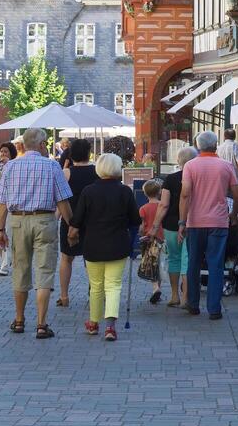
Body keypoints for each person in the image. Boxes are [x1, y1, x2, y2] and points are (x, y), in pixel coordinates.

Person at [0, 128, 74, 338]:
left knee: (20, 269)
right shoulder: (52, 166)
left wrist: (0, 230)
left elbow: (1, 203)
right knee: (44, 271)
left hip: (17, 221)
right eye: (45, 143)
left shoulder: (10, 166)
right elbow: (62, 201)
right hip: (44, 220)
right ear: (40, 145)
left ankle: (19, 320)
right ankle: (41, 324)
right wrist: (72, 226)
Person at [68, 153, 139, 341]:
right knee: (114, 285)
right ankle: (110, 327)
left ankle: (93, 323)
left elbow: (77, 219)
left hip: (93, 244)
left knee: (96, 286)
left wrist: (72, 234)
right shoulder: (125, 191)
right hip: (118, 245)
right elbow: (135, 220)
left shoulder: (88, 191)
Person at [177, 131, 238, 320]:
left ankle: (193, 304)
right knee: (216, 264)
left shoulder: (190, 166)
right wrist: (233, 214)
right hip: (218, 222)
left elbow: (185, 194)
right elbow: (237, 196)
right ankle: (214, 309)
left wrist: (182, 221)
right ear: (215, 145)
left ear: (198, 146)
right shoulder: (226, 166)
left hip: (195, 221)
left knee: (193, 263)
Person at [57, 138, 99, 309]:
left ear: (71, 154)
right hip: (92, 221)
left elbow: (61, 199)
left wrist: (57, 216)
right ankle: (93, 293)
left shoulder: (66, 173)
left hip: (70, 220)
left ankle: (64, 296)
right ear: (88, 153)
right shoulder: (97, 171)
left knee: (66, 259)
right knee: (91, 260)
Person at [158, 147, 195, 309]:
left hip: (171, 224)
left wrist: (154, 225)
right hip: (192, 222)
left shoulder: (170, 179)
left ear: (179, 161)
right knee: (188, 261)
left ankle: (174, 296)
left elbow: (164, 204)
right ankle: (187, 297)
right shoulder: (196, 177)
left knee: (174, 258)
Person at [138, 179, 165, 303]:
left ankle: (155, 288)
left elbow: (142, 226)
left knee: (151, 263)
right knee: (159, 263)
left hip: (149, 239)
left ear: (145, 193)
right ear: (159, 192)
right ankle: (158, 287)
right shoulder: (162, 205)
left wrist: (141, 234)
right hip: (162, 238)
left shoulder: (143, 208)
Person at [0, 142, 15, 276]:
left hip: (9, 204)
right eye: (1, 152)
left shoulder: (14, 166)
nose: (3, 154)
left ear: (11, 154)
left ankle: (5, 265)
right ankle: (3, 260)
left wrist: (8, 164)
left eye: (6, 152)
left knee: (7, 232)